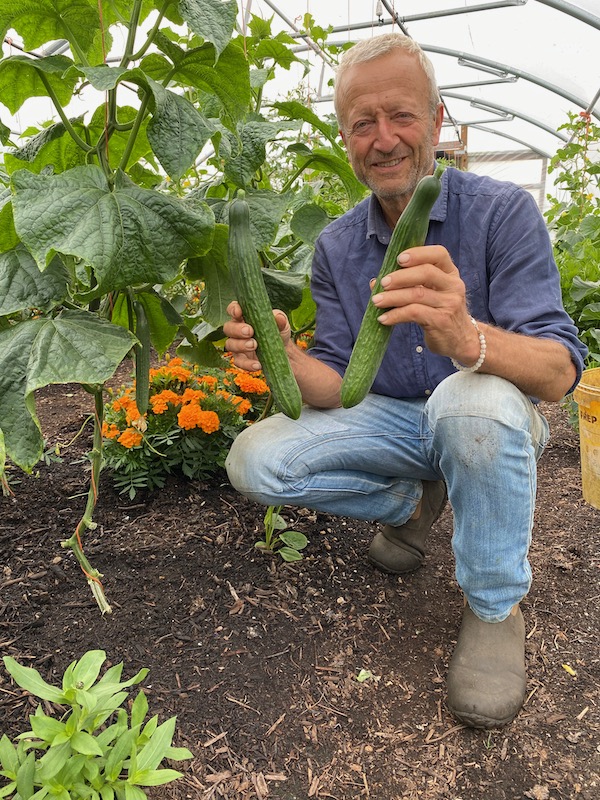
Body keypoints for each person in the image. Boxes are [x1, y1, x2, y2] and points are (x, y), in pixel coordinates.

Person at [223, 33, 587, 729]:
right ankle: (411, 503)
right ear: (345, 136)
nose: (383, 138)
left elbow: (560, 372)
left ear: (438, 121)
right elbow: (341, 385)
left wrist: (467, 338)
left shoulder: (503, 213)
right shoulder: (334, 245)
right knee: (256, 459)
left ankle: (493, 607)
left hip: (486, 417)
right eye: (363, 123)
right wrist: (283, 357)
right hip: (394, 421)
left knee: (466, 398)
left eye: (402, 116)